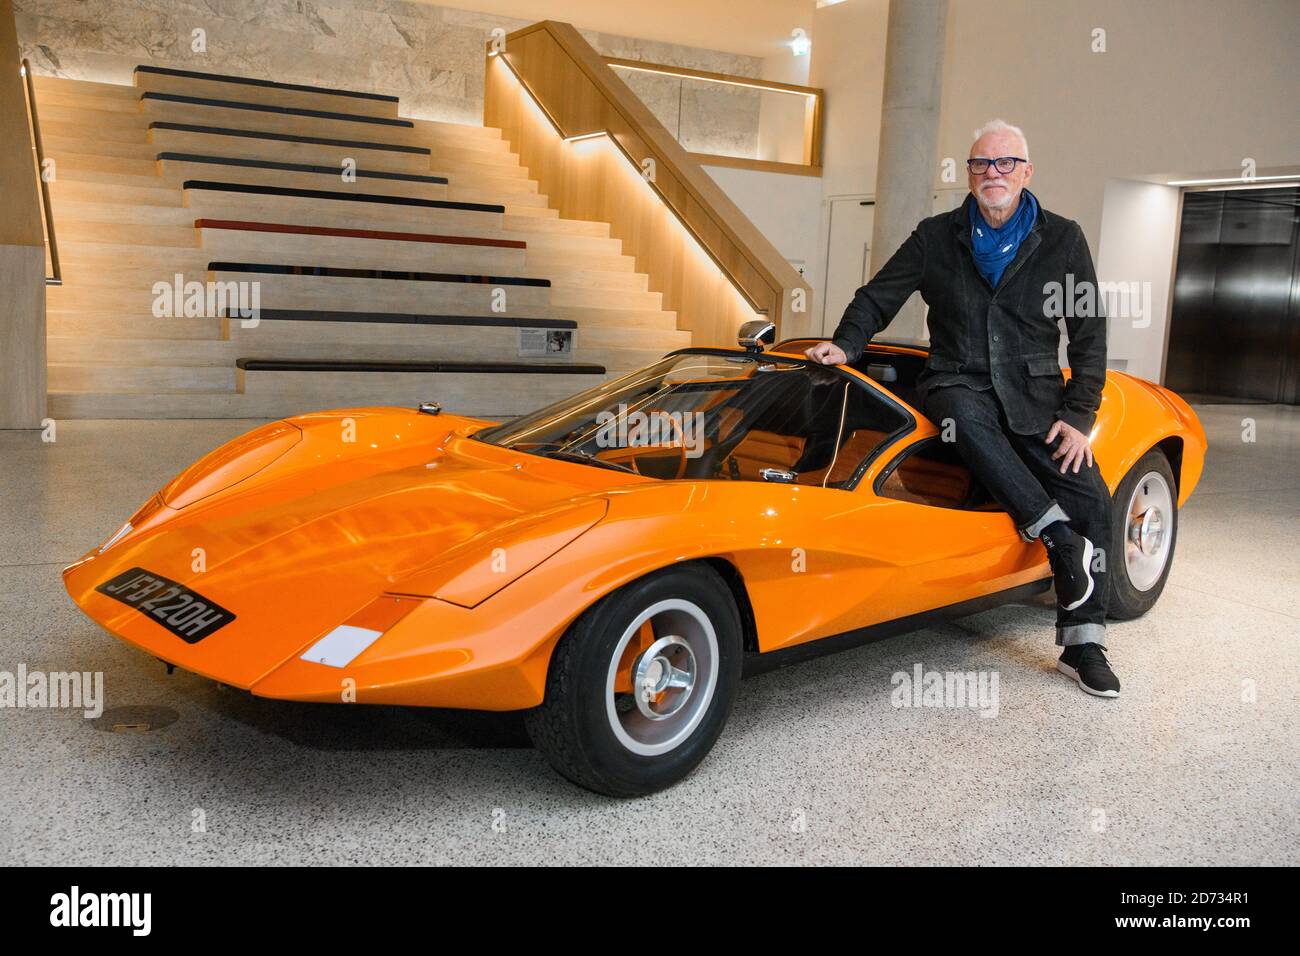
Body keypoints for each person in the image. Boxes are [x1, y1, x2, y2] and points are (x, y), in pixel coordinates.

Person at [805, 119, 1119, 698]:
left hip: (1036, 396)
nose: (992, 173)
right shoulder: (936, 235)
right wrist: (846, 344)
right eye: (980, 164)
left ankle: (1083, 644)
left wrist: (1078, 417)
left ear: (1026, 172)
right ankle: (1057, 539)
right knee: (964, 421)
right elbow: (877, 296)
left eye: (1005, 164)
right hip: (957, 382)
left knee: (1093, 498)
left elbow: (1089, 332)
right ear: (968, 173)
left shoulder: (1062, 238)